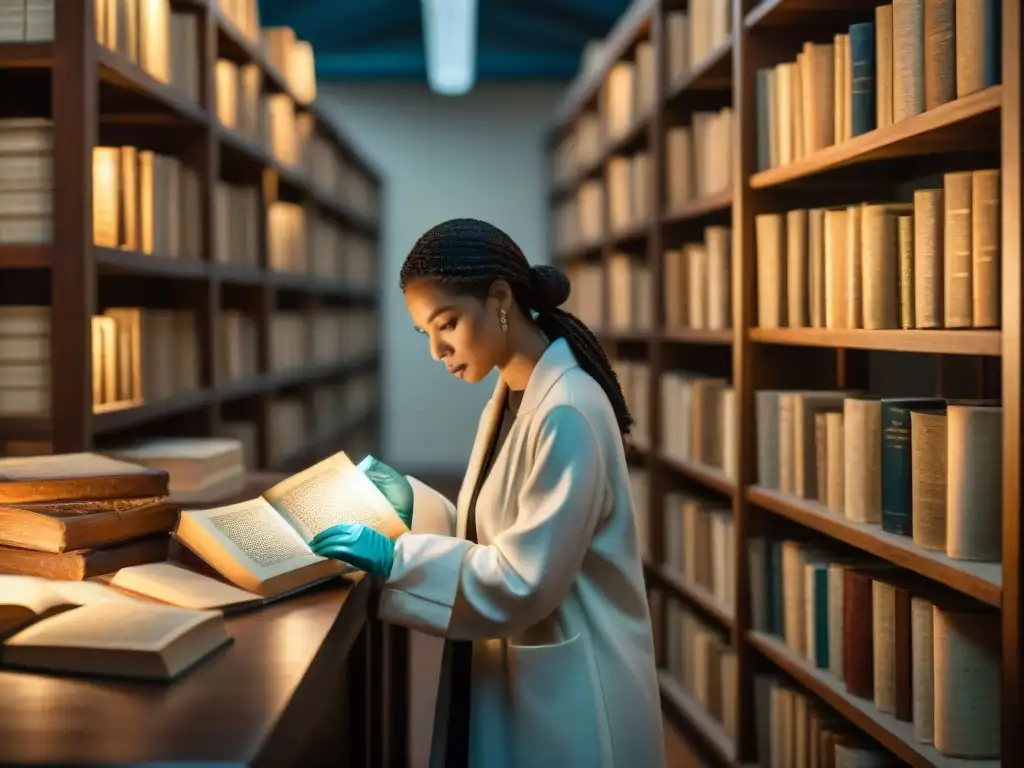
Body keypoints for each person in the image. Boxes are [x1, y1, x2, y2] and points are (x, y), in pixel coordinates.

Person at [311, 218, 666, 768]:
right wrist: (413, 502)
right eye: (424, 333)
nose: (437, 350)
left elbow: (524, 579)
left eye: (446, 324)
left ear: (499, 297)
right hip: (520, 666)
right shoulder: (514, 387)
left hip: (573, 691)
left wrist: (397, 557)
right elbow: (501, 529)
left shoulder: (566, 408)